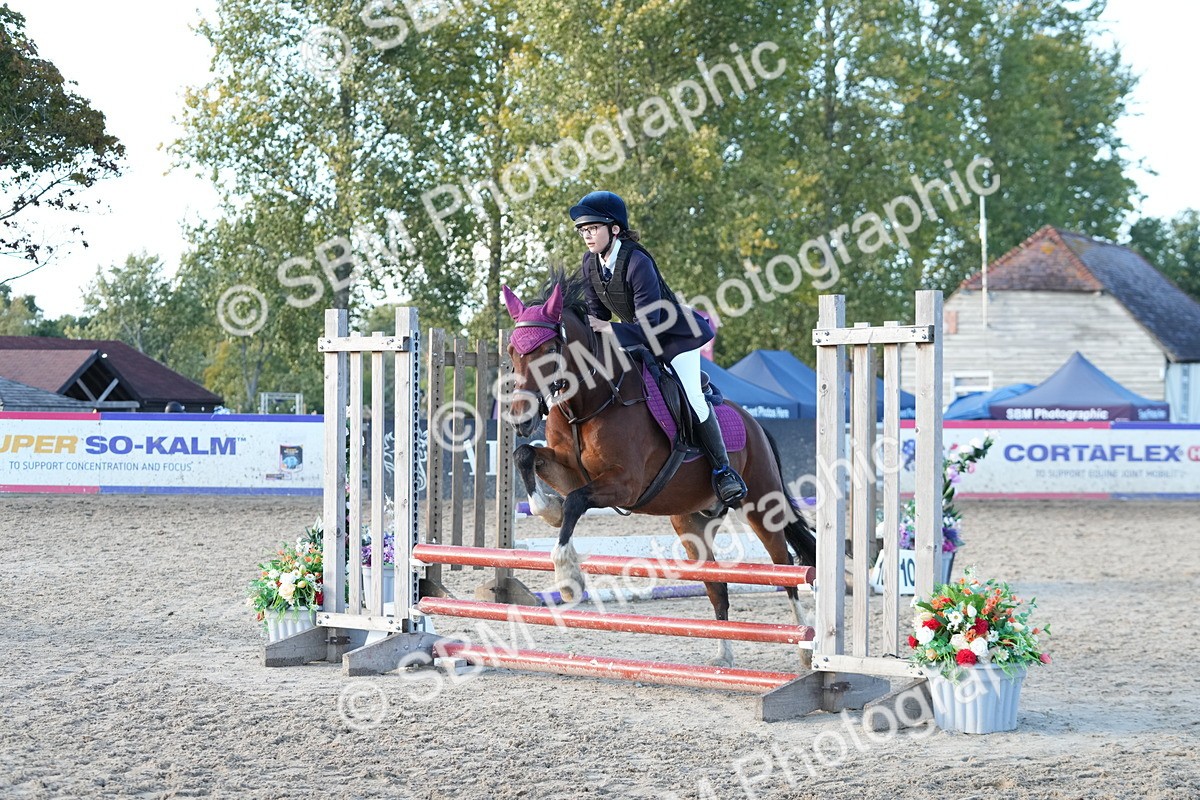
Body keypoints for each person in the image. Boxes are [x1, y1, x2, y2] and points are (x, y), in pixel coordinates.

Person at [570, 190, 748, 506]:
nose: (587, 235)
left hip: (673, 337)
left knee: (692, 396)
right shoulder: (590, 263)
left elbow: (648, 325)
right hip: (635, 335)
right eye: (583, 230)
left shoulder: (637, 262)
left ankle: (724, 472)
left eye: (593, 228)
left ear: (614, 229)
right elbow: (597, 316)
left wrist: (608, 329)